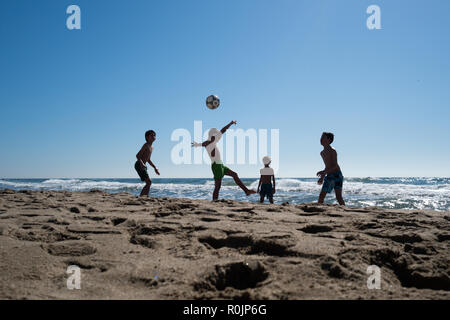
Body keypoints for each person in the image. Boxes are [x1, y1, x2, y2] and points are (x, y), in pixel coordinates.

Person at [192, 120, 256, 200]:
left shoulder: (210, 142)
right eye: (216, 134)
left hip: (221, 165)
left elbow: (202, 143)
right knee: (217, 186)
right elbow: (223, 130)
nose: (218, 136)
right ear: (211, 135)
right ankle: (215, 201)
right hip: (216, 166)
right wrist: (230, 123)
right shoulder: (209, 142)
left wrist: (197, 144)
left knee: (234, 175)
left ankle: (246, 191)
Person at [316, 132, 345, 205]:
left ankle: (345, 211)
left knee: (338, 197)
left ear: (329, 140)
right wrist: (323, 173)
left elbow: (335, 165)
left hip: (337, 175)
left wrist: (324, 174)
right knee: (322, 196)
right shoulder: (322, 153)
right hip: (330, 174)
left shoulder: (332, 150)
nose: (321, 139)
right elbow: (328, 166)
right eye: (321, 137)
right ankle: (320, 210)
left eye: (323, 137)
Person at [135, 130, 160, 197]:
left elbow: (148, 159)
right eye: (151, 135)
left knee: (148, 182)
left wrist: (155, 167)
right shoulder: (145, 145)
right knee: (149, 182)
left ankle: (144, 196)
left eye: (154, 135)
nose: (153, 136)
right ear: (147, 137)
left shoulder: (152, 147)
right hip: (139, 165)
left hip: (143, 165)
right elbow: (137, 156)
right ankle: (142, 197)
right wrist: (142, 164)